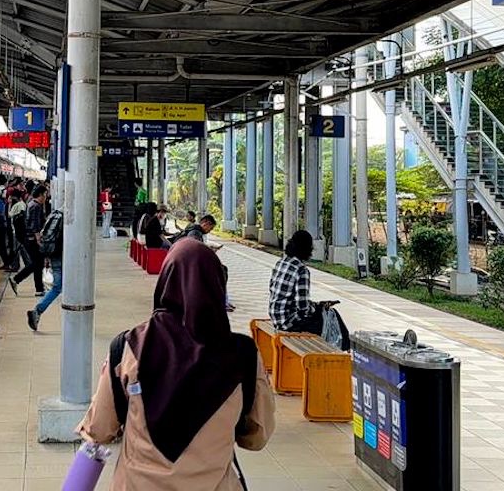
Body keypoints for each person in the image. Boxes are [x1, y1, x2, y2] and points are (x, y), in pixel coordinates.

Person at [78, 239, 274, 489]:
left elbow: (99, 429)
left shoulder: (129, 348)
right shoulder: (243, 354)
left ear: (165, 281)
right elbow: (256, 438)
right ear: (217, 286)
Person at [269, 231, 325, 333]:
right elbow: (303, 307)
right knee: (327, 320)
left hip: (275, 316)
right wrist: (317, 309)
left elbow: (271, 287)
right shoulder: (301, 270)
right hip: (288, 322)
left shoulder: (281, 262)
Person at [27, 196, 64, 331]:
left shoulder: (55, 214)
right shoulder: (70, 217)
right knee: (58, 287)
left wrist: (47, 256)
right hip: (62, 256)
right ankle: (38, 310)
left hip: (53, 253)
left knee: (58, 287)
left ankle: (38, 311)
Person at [10, 184, 49, 296]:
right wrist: (38, 239)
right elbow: (34, 224)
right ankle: (16, 279)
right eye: (45, 194)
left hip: (29, 238)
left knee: (37, 263)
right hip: (32, 239)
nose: (46, 197)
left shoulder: (31, 203)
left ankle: (39, 289)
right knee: (37, 263)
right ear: (40, 194)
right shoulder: (36, 206)